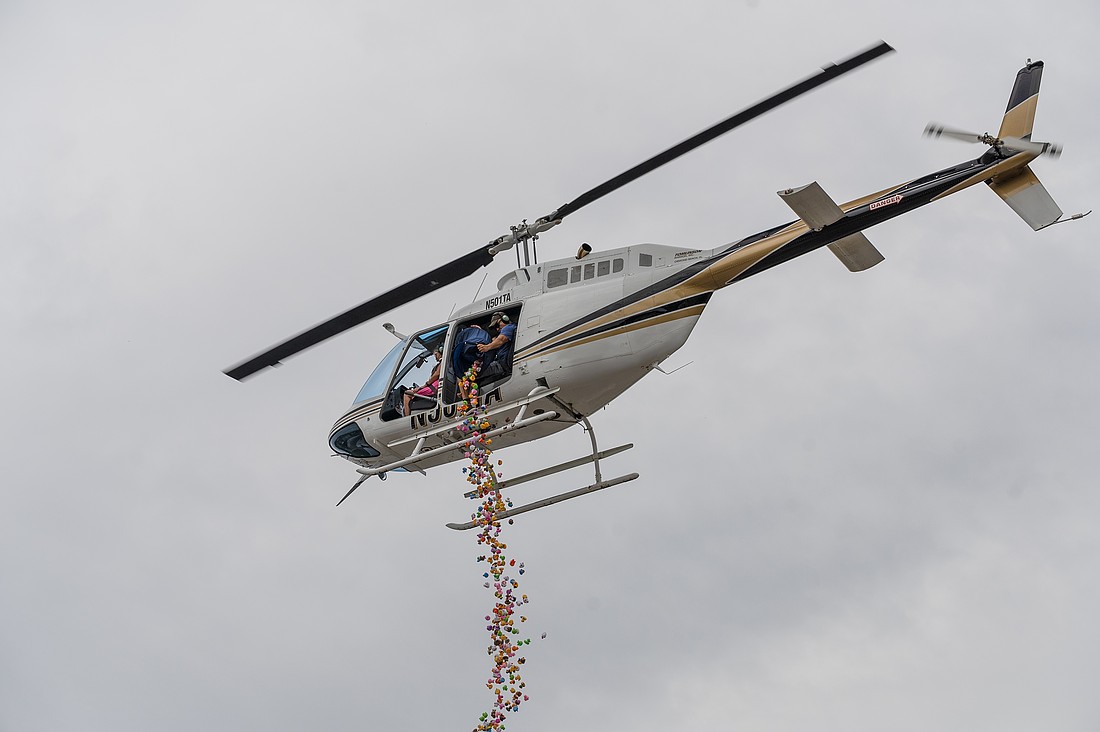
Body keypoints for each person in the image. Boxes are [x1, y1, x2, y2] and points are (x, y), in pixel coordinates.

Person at [476, 311, 516, 381]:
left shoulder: (508, 327)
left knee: (473, 373)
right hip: (501, 364)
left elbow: (501, 340)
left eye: (497, 325)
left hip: (500, 365)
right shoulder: (505, 331)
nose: (497, 329)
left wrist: (487, 347)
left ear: (505, 319)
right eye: (495, 328)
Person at [403, 349, 442, 416]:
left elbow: (436, 374)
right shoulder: (443, 363)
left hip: (434, 388)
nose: (435, 357)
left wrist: (425, 385)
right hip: (434, 387)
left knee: (407, 394)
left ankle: (407, 418)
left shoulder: (442, 363)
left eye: (436, 354)